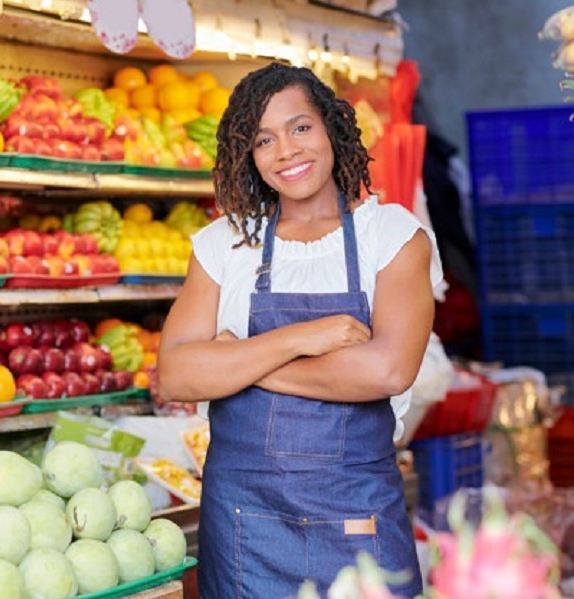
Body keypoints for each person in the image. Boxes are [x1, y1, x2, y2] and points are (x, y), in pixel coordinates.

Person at [155, 62, 443, 598]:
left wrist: (240, 362)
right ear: (249, 153)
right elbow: (174, 374)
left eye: (301, 127)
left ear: (330, 128)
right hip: (244, 525)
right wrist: (297, 338)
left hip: (356, 517)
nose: (286, 150)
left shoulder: (394, 237)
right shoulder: (224, 245)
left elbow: (388, 369)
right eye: (264, 139)